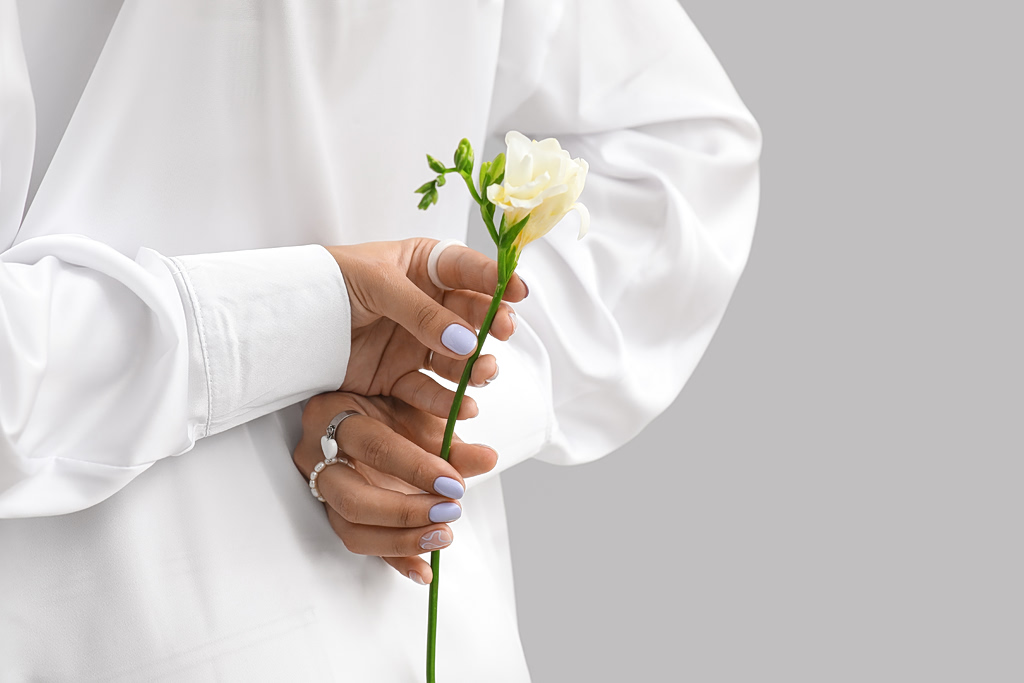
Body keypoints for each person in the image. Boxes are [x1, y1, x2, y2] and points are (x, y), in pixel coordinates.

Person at [0, 0, 762, 680]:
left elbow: (678, 146)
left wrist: (438, 399)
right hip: (380, 617)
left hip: (377, 596)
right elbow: (679, 151)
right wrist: (317, 323)